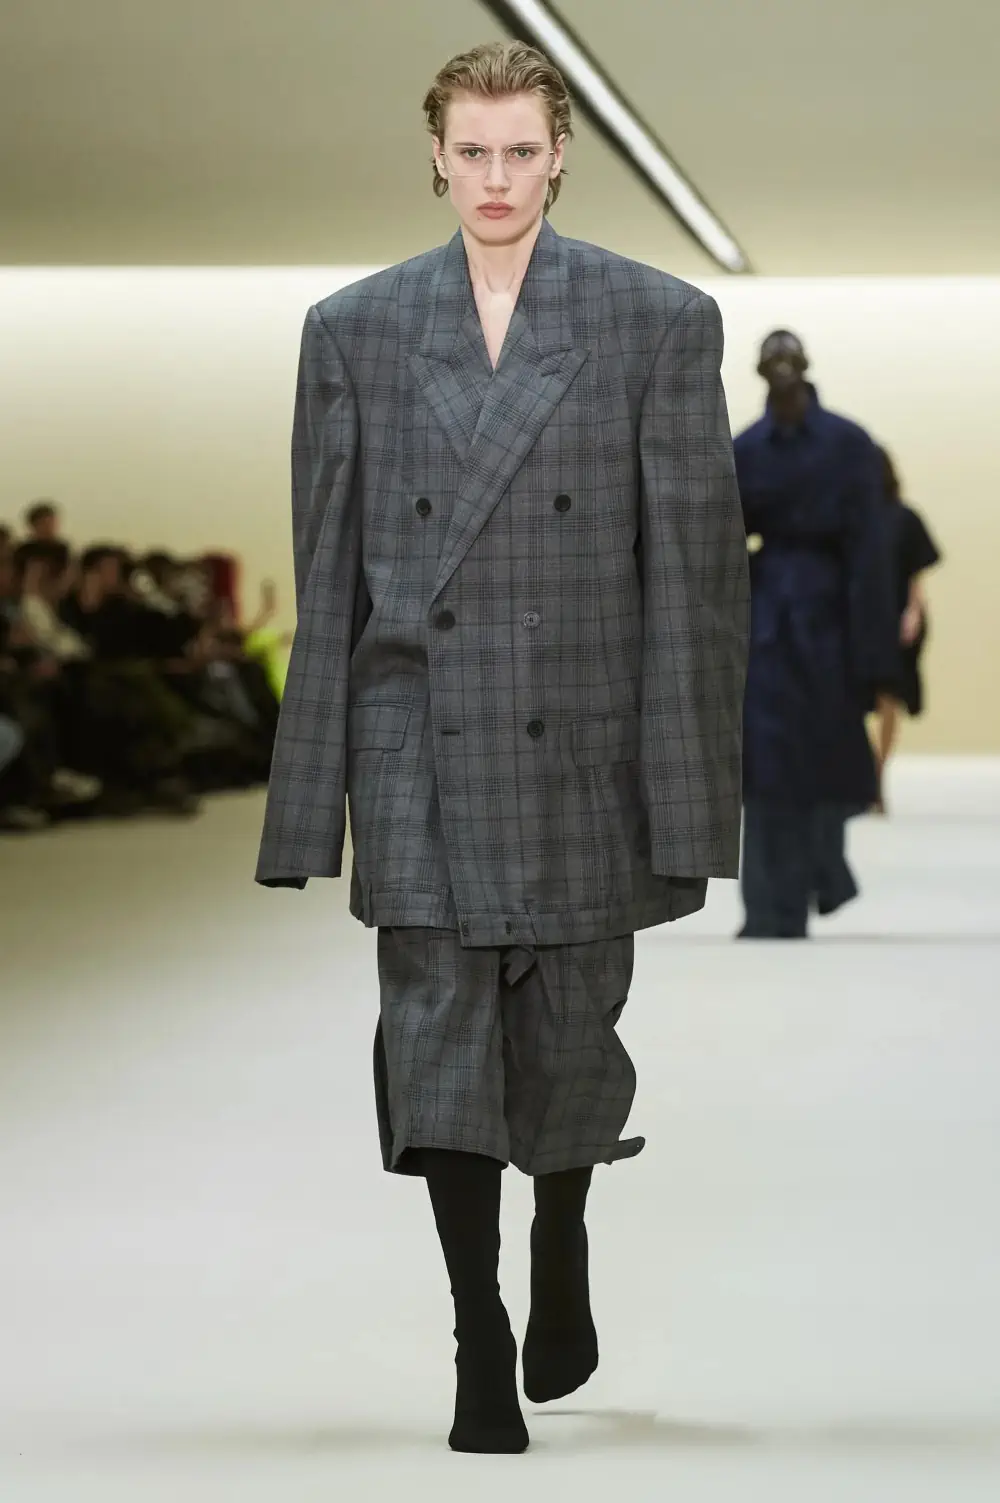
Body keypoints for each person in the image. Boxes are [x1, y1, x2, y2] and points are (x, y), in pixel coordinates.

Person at [255, 41, 748, 1454]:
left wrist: (688, 800)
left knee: (572, 1033)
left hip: (580, 733)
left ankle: (562, 1231)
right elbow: (329, 573)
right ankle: (476, 1327)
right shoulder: (354, 329)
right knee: (435, 1036)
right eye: (470, 152)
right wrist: (310, 805)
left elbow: (694, 579)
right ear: (434, 154)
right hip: (420, 737)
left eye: (518, 152)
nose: (493, 178)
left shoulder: (656, 321)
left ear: (560, 155)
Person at [734, 331, 897, 939]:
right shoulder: (748, 448)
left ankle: (821, 875)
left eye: (789, 362)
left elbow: (871, 551)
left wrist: (874, 653)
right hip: (770, 618)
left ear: (804, 367)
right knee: (766, 759)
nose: (781, 371)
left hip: (829, 617)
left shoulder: (848, 444)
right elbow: (721, 544)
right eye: (771, 363)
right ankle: (770, 906)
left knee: (825, 752)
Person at [872, 447, 943, 812]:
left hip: (896, 620)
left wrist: (914, 612)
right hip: (858, 620)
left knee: (889, 699)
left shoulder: (904, 519)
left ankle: (877, 777)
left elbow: (916, 573)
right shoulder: (850, 520)